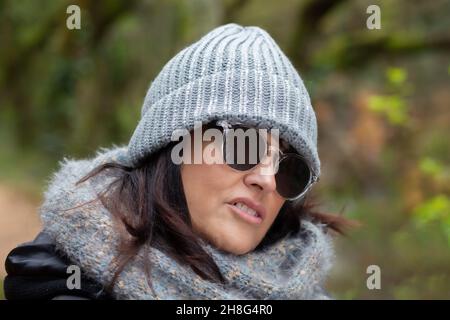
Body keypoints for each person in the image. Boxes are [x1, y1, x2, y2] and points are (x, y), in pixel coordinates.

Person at [4, 23, 350, 300]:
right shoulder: (61, 282)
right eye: (245, 146)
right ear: (173, 144)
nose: (267, 181)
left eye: (290, 170)